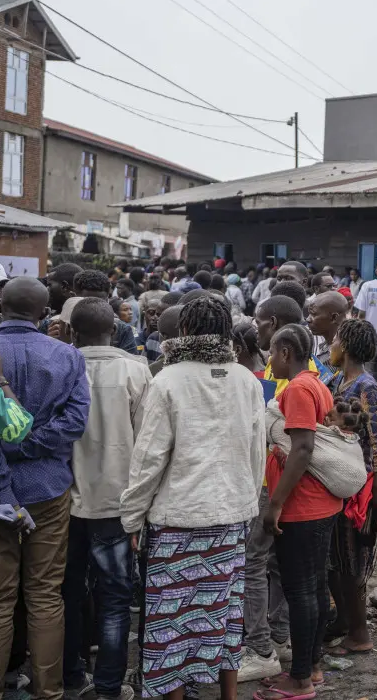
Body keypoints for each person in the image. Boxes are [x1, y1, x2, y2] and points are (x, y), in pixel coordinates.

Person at [120, 294, 265, 700]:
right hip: (231, 517)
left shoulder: (168, 380)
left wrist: (132, 517)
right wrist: (248, 503)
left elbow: (148, 459)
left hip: (178, 519)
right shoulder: (246, 381)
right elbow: (256, 451)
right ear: (225, 334)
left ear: (183, 331)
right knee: (223, 613)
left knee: (172, 623)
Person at [0, 278, 89, 700]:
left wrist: (13, 449)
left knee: (0, 601)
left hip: (1, 492)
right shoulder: (67, 356)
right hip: (49, 488)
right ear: (45, 311)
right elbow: (74, 423)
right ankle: (48, 691)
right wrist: (30, 447)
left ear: (1, 305)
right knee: (45, 595)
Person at [63, 298, 152, 700]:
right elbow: (148, 445)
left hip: (62, 501)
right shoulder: (136, 371)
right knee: (115, 597)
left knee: (66, 591)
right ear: (114, 329)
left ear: (71, 331)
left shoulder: (61, 365)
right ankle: (108, 687)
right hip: (117, 503)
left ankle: (69, 675)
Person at [260, 323, 341, 693]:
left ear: (286, 353)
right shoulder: (316, 382)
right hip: (320, 503)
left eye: (272, 352)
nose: (269, 360)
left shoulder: (297, 389)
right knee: (315, 586)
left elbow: (304, 447)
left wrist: (275, 504)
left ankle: (301, 679)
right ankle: (313, 667)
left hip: (302, 506)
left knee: (300, 591)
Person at [325, 319, 377, 657]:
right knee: (336, 561)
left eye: (336, 339)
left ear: (347, 348)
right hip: (339, 485)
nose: (331, 345)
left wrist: (373, 504)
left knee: (352, 564)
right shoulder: (338, 379)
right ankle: (344, 621)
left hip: (360, 491)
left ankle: (360, 635)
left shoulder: (366, 387)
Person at [58, 269, 140, 356]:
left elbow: (131, 363)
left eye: (101, 302)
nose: (95, 307)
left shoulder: (122, 330)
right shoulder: (57, 325)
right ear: (73, 296)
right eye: (87, 302)